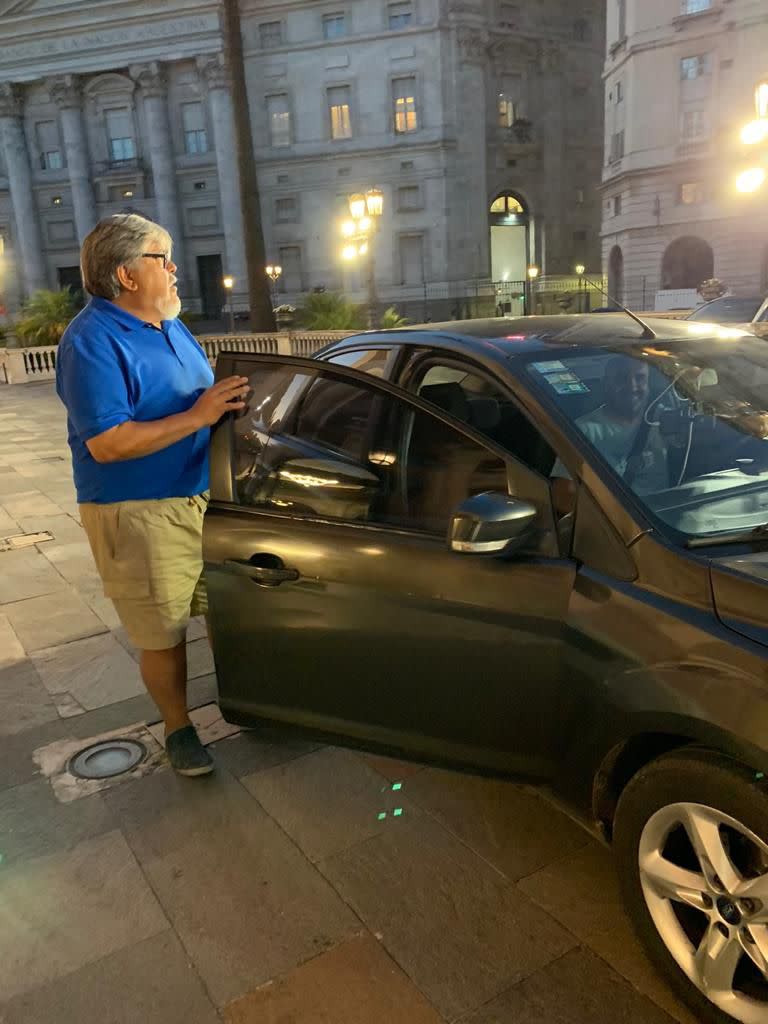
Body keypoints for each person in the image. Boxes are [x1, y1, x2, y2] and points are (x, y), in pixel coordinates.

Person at [56, 214, 249, 777]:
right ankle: (179, 728)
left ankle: (248, 699)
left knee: (225, 612)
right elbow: (109, 443)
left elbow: (200, 401)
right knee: (163, 631)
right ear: (126, 274)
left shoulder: (170, 326)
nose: (173, 268)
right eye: (160, 258)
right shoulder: (91, 341)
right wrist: (199, 414)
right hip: (138, 510)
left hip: (202, 496)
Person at [551, 357, 668, 515]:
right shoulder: (584, 430)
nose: (632, 387)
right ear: (605, 384)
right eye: (621, 378)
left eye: (640, 378)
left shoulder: (666, 420)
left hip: (668, 521)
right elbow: (562, 497)